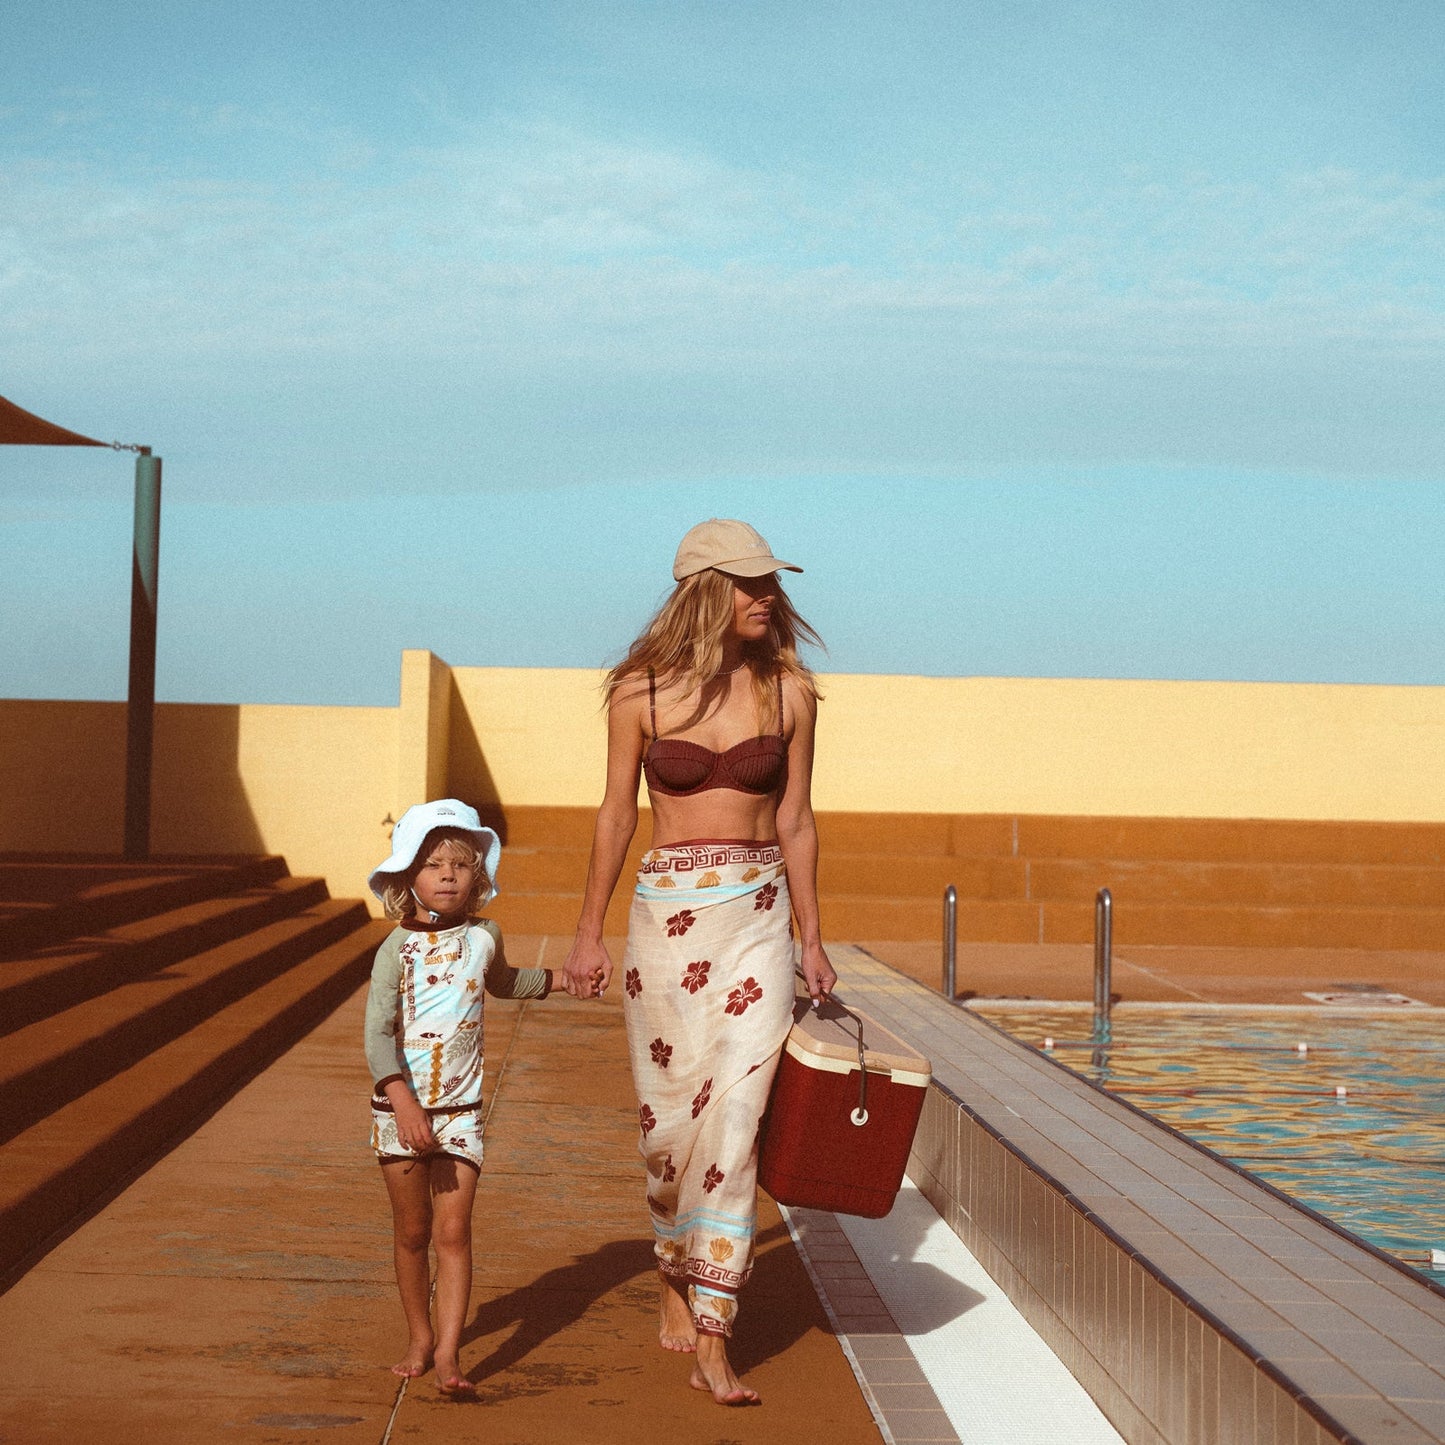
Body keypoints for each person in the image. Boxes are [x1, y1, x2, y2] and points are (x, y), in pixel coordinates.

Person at [562, 518, 837, 1407]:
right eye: (750, 584)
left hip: (756, 916)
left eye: (770, 584)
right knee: (670, 1128)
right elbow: (615, 814)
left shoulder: (790, 692)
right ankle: (671, 1266)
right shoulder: (637, 691)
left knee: (737, 1118)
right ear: (705, 591)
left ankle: (717, 1333)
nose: (767, 597)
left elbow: (794, 820)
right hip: (664, 923)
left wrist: (811, 934)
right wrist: (587, 930)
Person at [364, 798, 555, 1396]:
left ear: (477, 876)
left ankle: (449, 1356)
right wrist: (404, 1102)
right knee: (413, 1233)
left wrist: (561, 980)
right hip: (402, 1112)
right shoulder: (395, 948)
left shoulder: (485, 937)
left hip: (461, 1115)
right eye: (432, 863)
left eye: (459, 864)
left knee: (453, 1236)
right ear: (408, 877)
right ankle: (419, 1336)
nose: (447, 874)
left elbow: (504, 983)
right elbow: (376, 1035)